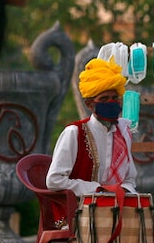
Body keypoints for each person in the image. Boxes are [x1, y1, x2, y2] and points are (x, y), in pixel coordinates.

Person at [46, 57, 137, 196]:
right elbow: (54, 180)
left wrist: (122, 190)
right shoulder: (74, 133)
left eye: (114, 98)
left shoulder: (123, 133)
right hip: (81, 211)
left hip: (118, 206)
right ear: (89, 105)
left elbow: (130, 179)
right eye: (104, 99)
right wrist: (98, 189)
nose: (111, 103)